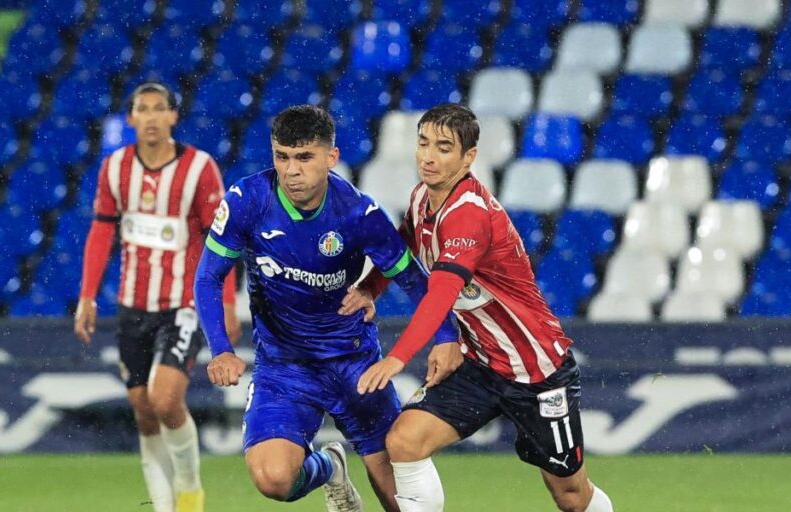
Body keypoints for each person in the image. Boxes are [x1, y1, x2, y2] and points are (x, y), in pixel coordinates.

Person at [347, 103, 614, 512]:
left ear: (468, 157)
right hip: (480, 364)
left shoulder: (469, 215)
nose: (429, 156)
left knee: (571, 497)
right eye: (423, 144)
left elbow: (440, 294)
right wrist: (370, 288)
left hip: (536, 370)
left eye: (443, 147)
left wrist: (398, 358)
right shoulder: (422, 197)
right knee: (403, 441)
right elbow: (403, 248)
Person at [194, 105, 460, 512]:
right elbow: (208, 277)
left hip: (352, 362)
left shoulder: (358, 213)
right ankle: (329, 468)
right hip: (285, 367)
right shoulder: (248, 200)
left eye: (304, 157)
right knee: (273, 479)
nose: (291, 170)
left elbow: (414, 279)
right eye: (282, 156)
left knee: (402, 501)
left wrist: (445, 337)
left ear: (331, 158)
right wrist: (221, 349)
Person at [74, 82, 239, 512]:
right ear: (129, 119)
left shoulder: (200, 168)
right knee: (143, 409)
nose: (149, 117)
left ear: (173, 116)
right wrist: (87, 296)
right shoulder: (114, 168)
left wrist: (224, 301)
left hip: (183, 304)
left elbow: (219, 238)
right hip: (132, 305)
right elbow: (101, 230)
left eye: (158, 109)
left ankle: (189, 490)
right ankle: (165, 507)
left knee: (165, 399)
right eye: (141, 109)